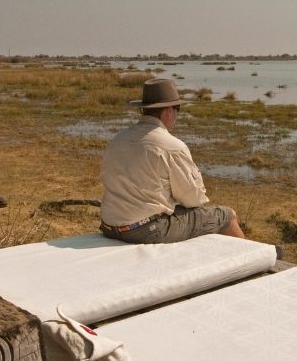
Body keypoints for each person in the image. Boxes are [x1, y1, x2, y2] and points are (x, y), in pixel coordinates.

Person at [99, 78, 244, 243]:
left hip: (109, 227)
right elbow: (195, 200)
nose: (177, 114)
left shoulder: (118, 139)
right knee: (227, 216)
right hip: (145, 230)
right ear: (168, 111)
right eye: (177, 109)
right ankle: (256, 258)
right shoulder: (172, 146)